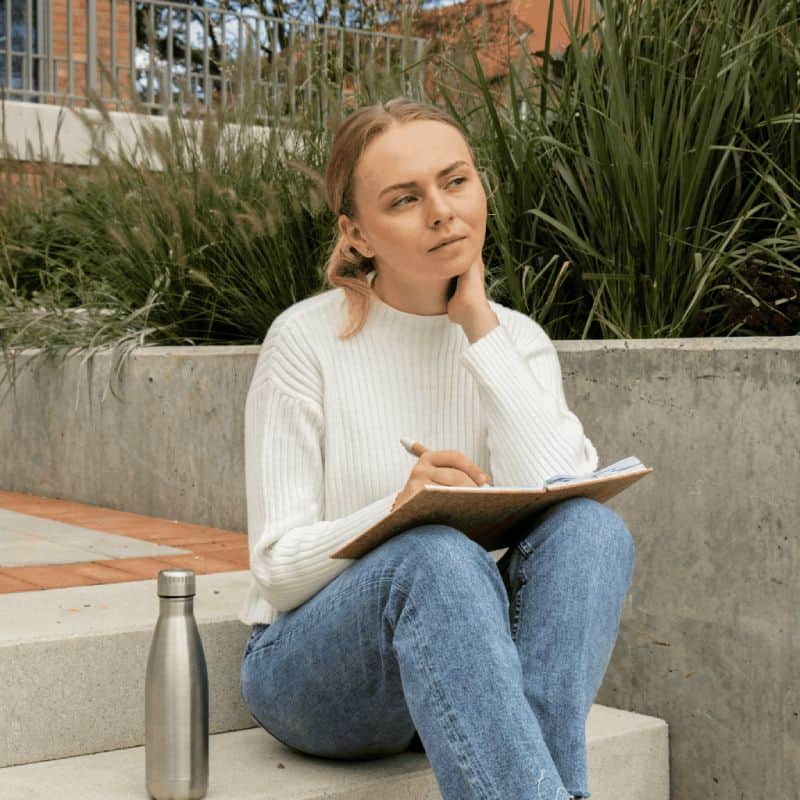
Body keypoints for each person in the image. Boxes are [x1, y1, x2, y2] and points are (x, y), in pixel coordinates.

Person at [238, 96, 635, 800]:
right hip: (314, 672)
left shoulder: (516, 341)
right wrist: (400, 511)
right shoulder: (304, 341)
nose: (442, 211)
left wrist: (480, 328)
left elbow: (567, 486)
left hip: (465, 665)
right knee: (435, 553)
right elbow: (275, 567)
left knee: (594, 531)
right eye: (404, 199)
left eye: (456, 181)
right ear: (356, 234)